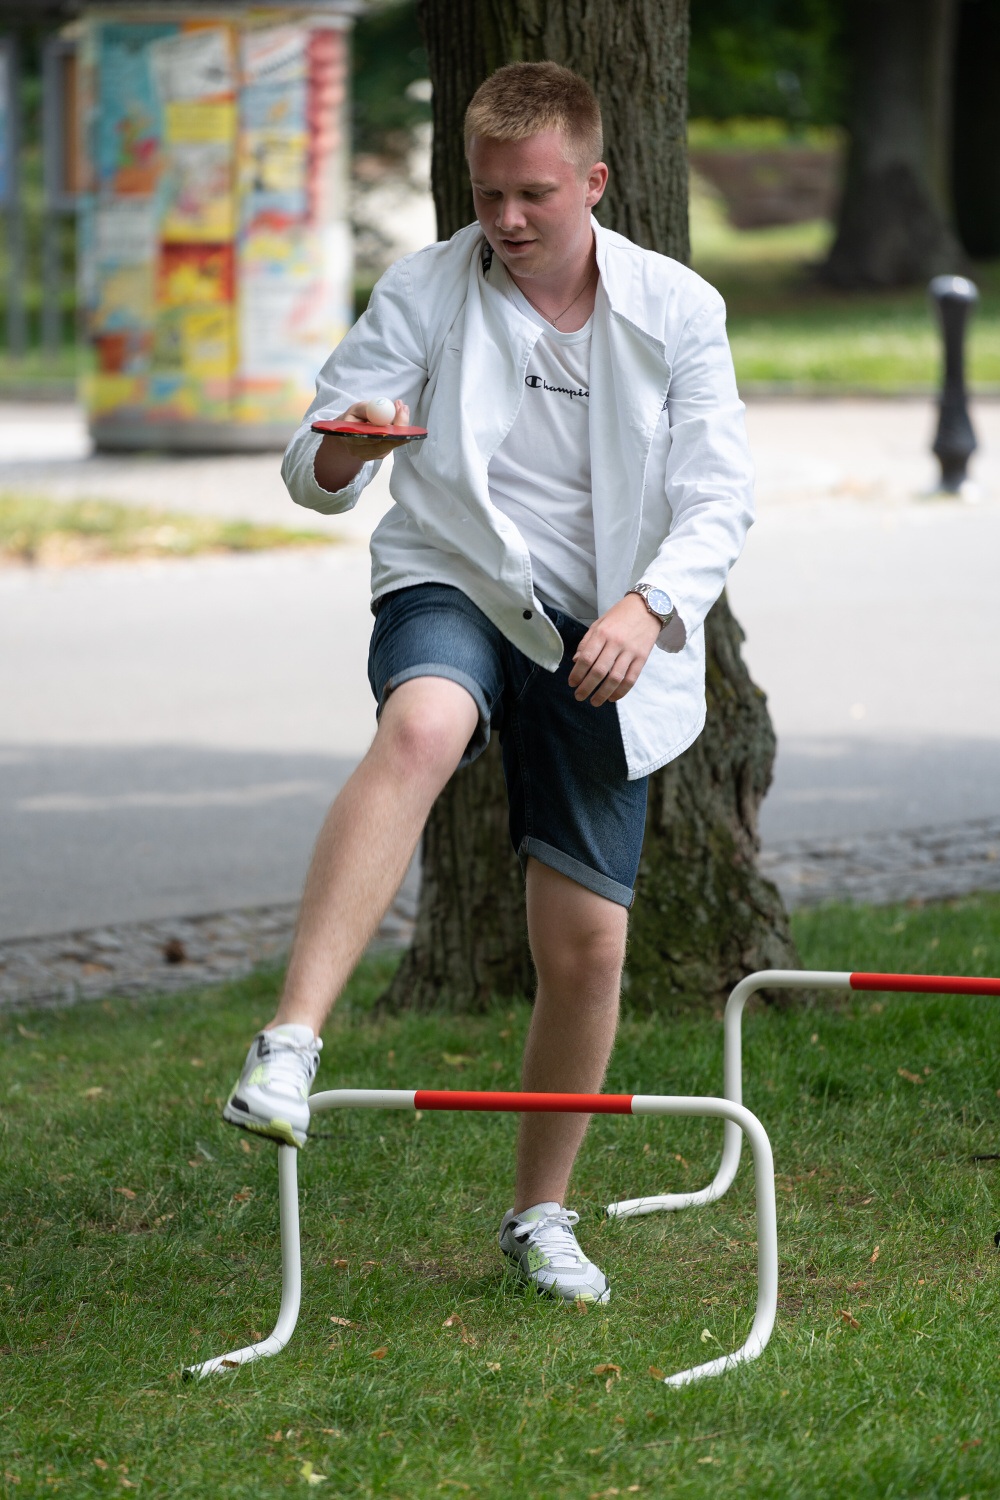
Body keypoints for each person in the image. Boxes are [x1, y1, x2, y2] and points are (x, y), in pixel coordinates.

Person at [223, 61, 754, 1307]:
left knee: (589, 948)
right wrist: (344, 448)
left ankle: (538, 1216)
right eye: (486, 194)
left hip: (604, 628)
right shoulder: (423, 287)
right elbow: (312, 465)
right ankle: (288, 1047)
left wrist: (647, 605)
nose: (506, 220)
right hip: (454, 579)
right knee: (421, 726)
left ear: (595, 181)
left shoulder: (678, 308)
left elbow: (719, 496)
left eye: (533, 195)